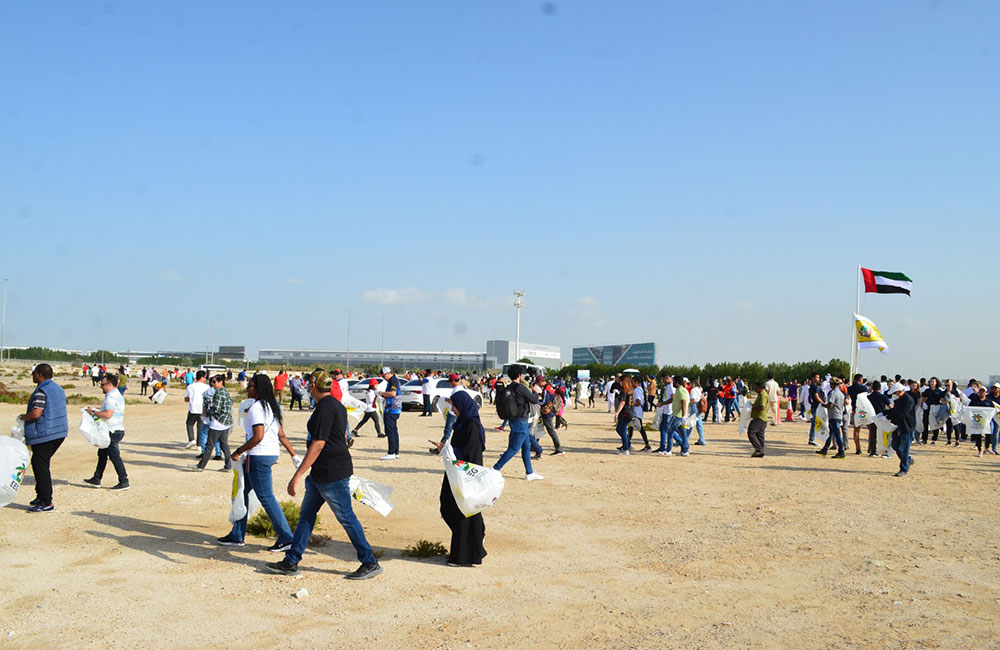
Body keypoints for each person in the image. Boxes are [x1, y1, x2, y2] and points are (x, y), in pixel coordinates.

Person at [264, 370, 382, 580]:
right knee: (306, 517)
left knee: (346, 518)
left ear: (314, 387)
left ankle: (370, 562)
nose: (308, 388)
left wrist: (297, 475)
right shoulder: (334, 405)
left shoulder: (325, 409)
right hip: (320, 474)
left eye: (310, 385)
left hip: (332, 474)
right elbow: (340, 436)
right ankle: (291, 561)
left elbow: (318, 444)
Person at [219, 373, 297, 551]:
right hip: (268, 454)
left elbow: (258, 436)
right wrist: (293, 455)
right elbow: (281, 434)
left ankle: (286, 537)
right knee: (243, 491)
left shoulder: (256, 408)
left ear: (259, 388)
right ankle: (237, 534)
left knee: (266, 497)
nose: (247, 388)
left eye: (251, 386)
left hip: (258, 456)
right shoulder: (271, 406)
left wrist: (239, 451)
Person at [439, 390, 487, 566]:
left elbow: (470, 455)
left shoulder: (472, 426)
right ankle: (476, 539)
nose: (452, 409)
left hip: (465, 476)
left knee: (463, 512)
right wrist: (446, 449)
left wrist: (448, 451)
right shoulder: (462, 424)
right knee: (447, 506)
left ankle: (463, 556)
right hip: (455, 472)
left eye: (454, 406)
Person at [19, 364, 69, 512]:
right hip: (59, 432)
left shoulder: (41, 391)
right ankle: (40, 495)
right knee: (39, 462)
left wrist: (23, 417)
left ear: (40, 375)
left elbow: (36, 414)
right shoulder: (57, 388)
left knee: (40, 465)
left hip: (46, 434)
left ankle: (46, 501)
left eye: (34, 373)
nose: (32, 376)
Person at [492, 365, 543, 480]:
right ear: (520, 375)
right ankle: (495, 468)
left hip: (514, 419)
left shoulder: (509, 387)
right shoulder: (521, 388)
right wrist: (535, 391)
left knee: (526, 447)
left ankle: (529, 472)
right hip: (521, 421)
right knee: (514, 448)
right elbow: (534, 400)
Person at [83, 373, 130, 490]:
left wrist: (93, 412)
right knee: (102, 454)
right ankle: (96, 478)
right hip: (115, 429)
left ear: (109, 384)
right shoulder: (116, 394)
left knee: (114, 456)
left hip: (112, 430)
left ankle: (124, 481)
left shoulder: (111, 397)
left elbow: (108, 414)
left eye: (102, 384)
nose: (101, 387)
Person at [190, 375, 233, 471]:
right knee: (224, 445)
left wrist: (206, 414)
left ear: (220, 382)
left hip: (218, 422)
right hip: (226, 422)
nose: (212, 384)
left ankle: (200, 466)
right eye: (211, 382)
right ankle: (228, 466)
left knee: (209, 445)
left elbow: (216, 409)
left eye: (214, 382)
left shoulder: (219, 393)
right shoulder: (225, 392)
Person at [885, 382, 916, 476]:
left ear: (899, 392)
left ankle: (904, 469)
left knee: (904, 448)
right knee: (895, 445)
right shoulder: (899, 400)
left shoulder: (908, 400)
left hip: (907, 426)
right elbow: (895, 411)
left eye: (894, 393)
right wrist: (886, 413)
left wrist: (891, 417)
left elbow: (902, 414)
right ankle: (908, 460)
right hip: (898, 426)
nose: (894, 395)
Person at [817, 377, 846, 458]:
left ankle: (841, 451)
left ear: (833, 384)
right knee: (831, 433)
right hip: (838, 415)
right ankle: (825, 448)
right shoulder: (841, 393)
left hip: (833, 416)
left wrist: (823, 405)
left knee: (837, 434)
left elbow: (830, 405)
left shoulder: (833, 393)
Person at [379, 367, 402, 460]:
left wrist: (381, 393)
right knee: (394, 431)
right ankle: (395, 451)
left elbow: (393, 394)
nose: (383, 378)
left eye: (383, 376)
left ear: (388, 373)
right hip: (394, 408)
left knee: (390, 431)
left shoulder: (393, 381)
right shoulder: (393, 380)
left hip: (391, 409)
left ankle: (391, 452)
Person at [182, 370, 209, 450]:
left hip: (193, 408)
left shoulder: (190, 386)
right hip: (203, 409)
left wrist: (191, 399)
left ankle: (191, 439)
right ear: (202, 377)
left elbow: (186, 398)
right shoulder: (207, 387)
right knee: (200, 427)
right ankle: (199, 444)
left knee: (189, 424)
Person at [847, 374, 869, 455]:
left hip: (855, 409)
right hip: (863, 410)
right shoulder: (863, 388)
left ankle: (858, 448)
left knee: (856, 429)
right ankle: (870, 447)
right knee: (870, 427)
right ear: (860, 380)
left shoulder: (850, 388)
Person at [747, 380, 769, 457]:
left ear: (760, 388)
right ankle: (761, 451)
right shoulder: (761, 394)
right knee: (760, 435)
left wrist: (753, 408)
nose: (755, 389)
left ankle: (759, 449)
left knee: (751, 432)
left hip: (759, 418)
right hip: (762, 418)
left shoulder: (763, 395)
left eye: (756, 387)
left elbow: (762, 407)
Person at [689, 379, 706, 445]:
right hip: (698, 406)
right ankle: (702, 439)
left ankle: (685, 438)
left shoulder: (693, 390)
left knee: (690, 423)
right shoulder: (699, 389)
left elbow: (693, 400)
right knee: (699, 424)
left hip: (694, 406)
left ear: (693, 383)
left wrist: (688, 401)